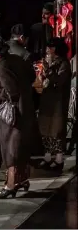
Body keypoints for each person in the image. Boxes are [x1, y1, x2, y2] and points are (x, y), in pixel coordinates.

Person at [0, 40, 34, 199]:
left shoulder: (2, 67)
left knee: (10, 149)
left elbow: (10, 92)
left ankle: (10, 185)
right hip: (26, 109)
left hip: (13, 114)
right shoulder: (18, 59)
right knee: (21, 147)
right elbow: (32, 77)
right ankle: (23, 179)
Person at [37, 38, 71, 171]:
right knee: (46, 130)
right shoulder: (50, 62)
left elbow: (59, 81)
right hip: (47, 101)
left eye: (50, 47)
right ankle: (47, 158)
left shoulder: (64, 64)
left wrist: (49, 71)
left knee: (56, 131)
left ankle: (58, 160)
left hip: (58, 102)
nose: (47, 50)